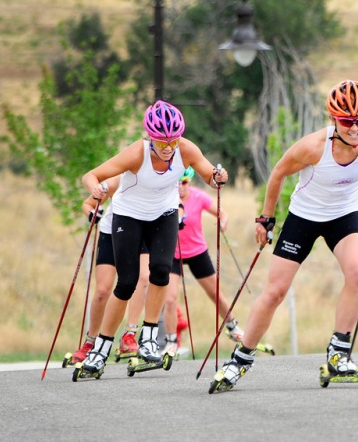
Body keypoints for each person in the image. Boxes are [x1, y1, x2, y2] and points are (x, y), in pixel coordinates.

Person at [214, 79, 358, 390]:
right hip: (304, 217)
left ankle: (338, 351)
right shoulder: (314, 147)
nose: (355, 128)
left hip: (344, 216)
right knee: (276, 291)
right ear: (333, 118)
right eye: (347, 121)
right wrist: (265, 218)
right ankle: (240, 359)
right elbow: (278, 172)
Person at [79, 100, 228, 374]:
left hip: (164, 214)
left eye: (173, 140)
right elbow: (92, 175)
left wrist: (218, 177)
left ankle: (148, 338)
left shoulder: (186, 149)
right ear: (150, 137)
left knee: (161, 271)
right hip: (129, 215)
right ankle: (101, 347)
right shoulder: (136, 153)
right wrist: (96, 190)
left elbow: (209, 175)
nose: (169, 147)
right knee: (127, 283)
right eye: (162, 142)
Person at [162, 167, 247, 356]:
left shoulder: (198, 197)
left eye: (184, 183)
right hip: (173, 254)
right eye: (177, 183)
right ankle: (170, 341)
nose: (180, 187)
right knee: (169, 299)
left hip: (197, 252)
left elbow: (222, 214)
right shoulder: (166, 198)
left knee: (216, 294)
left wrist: (223, 223)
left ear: (189, 182)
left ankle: (233, 327)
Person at [69, 175, 148, 364]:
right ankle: (91, 342)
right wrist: (92, 214)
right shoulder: (118, 180)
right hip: (112, 233)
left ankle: (129, 334)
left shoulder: (156, 181)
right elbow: (87, 204)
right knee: (103, 291)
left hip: (143, 233)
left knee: (143, 278)